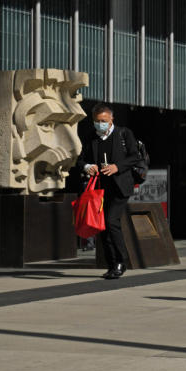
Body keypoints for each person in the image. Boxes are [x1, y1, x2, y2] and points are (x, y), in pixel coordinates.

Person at [76, 103, 141, 279]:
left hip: (120, 187)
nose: (100, 124)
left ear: (111, 119)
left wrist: (116, 167)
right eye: (97, 121)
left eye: (104, 121)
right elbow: (80, 160)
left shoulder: (124, 134)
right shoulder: (91, 137)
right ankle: (112, 264)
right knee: (102, 226)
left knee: (112, 221)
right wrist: (88, 166)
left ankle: (121, 261)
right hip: (100, 189)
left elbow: (135, 156)